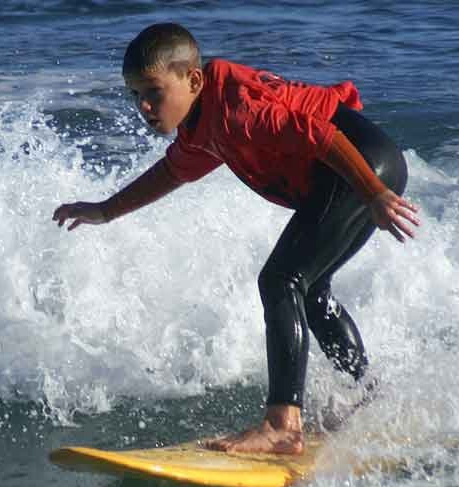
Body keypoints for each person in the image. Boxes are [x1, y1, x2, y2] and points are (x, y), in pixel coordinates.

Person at [53, 23, 419, 455]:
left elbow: (322, 136)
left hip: (358, 165)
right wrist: (104, 210)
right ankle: (369, 399)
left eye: (153, 91)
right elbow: (171, 173)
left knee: (281, 281)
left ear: (193, 80)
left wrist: (374, 194)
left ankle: (283, 425)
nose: (145, 106)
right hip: (364, 168)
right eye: (135, 96)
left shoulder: (235, 110)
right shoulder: (202, 123)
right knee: (312, 289)